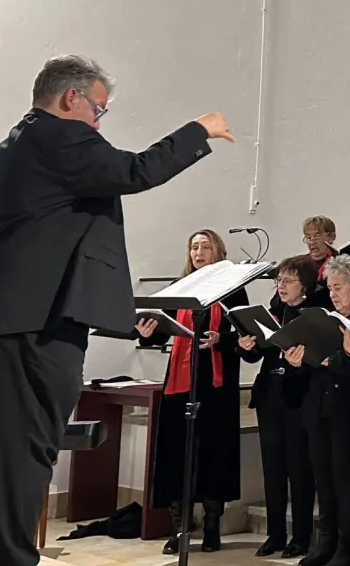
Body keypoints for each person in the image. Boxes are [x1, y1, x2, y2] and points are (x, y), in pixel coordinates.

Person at [0, 55, 228, 566]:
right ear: (71, 97)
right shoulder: (59, 136)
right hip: (38, 323)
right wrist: (200, 130)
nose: (99, 122)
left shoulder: (11, 148)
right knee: (26, 453)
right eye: (98, 109)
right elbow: (134, 170)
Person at [138, 230, 249, 554]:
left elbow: (247, 333)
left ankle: (212, 526)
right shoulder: (180, 286)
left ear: (218, 251)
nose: (199, 252)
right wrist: (147, 332)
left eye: (205, 246)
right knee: (177, 453)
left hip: (216, 383)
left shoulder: (232, 288)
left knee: (214, 454)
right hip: (180, 382)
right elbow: (162, 331)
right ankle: (180, 528)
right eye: (194, 247)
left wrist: (221, 338)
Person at [239, 255, 326, 559]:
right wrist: (246, 347)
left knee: (299, 470)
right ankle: (275, 534)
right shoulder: (274, 311)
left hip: (299, 398)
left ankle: (301, 536)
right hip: (269, 395)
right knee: (273, 468)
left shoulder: (315, 316)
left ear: (306, 285)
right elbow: (258, 355)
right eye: (279, 280)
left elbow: (318, 360)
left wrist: (300, 364)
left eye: (289, 280)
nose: (281, 285)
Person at [299, 256, 350, 566]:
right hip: (318, 406)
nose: (333, 294)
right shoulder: (324, 319)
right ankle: (325, 541)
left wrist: (341, 358)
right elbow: (315, 361)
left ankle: (347, 546)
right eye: (330, 288)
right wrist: (299, 359)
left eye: (339, 287)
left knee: (344, 480)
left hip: (349, 410)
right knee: (322, 478)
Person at [303, 216, 338, 280]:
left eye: (317, 236)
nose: (312, 242)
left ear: (332, 236)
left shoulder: (340, 263)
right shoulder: (300, 265)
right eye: (308, 237)